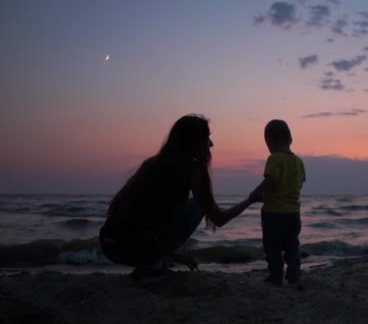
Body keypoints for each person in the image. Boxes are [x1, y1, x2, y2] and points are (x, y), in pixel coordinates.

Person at [99, 114, 257, 283]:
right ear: (194, 142)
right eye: (207, 138)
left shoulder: (152, 164)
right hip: (136, 249)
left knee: (163, 214)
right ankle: (151, 267)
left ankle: (151, 264)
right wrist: (250, 200)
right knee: (197, 205)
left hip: (109, 246)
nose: (211, 144)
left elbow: (143, 219)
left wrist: (174, 256)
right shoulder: (193, 169)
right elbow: (218, 219)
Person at [250, 119, 306, 285]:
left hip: (273, 214)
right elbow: (299, 183)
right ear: (290, 139)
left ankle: (276, 274)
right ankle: (294, 273)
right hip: (293, 214)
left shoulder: (274, 159)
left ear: (271, 140)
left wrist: (256, 193)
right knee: (292, 244)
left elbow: (271, 180)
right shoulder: (298, 161)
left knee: (272, 246)